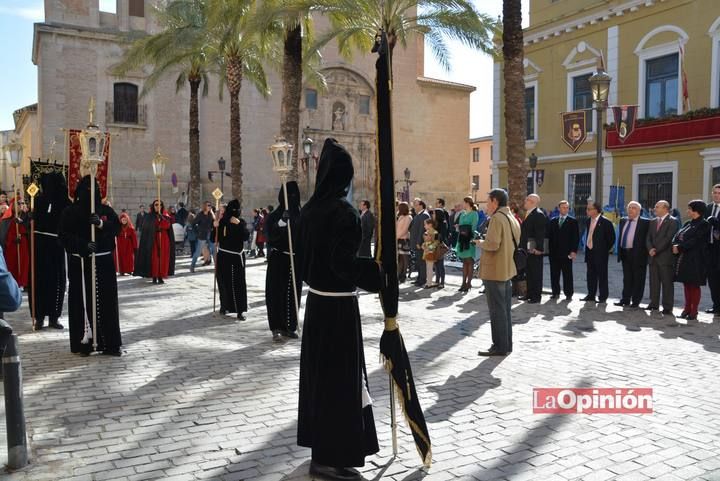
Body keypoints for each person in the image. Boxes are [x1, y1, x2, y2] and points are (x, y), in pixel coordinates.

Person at [297, 139, 382, 479]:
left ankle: (323, 451)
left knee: (321, 381)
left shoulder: (307, 212)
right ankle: (332, 458)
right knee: (339, 383)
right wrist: (377, 274)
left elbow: (305, 265)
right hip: (338, 311)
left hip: (317, 305)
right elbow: (343, 265)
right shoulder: (344, 213)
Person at [59, 175, 122, 356]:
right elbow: (63, 235)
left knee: (107, 303)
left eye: (92, 191)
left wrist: (101, 224)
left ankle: (110, 343)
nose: (90, 195)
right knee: (82, 301)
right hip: (80, 263)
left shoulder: (105, 210)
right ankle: (84, 342)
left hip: (103, 263)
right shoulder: (70, 212)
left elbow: (117, 227)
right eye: (86, 191)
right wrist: (82, 245)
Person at [475, 188, 520, 356]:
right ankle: (506, 344)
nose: (487, 205)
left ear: (495, 201)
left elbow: (493, 244)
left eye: (488, 201)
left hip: (495, 270)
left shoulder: (497, 218)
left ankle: (499, 346)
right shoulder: (511, 217)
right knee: (505, 309)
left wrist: (480, 242)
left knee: (496, 310)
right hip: (507, 269)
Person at [29, 172, 70, 329]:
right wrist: (30, 218)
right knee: (39, 281)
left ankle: (54, 316)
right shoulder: (37, 201)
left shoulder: (64, 202)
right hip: (40, 245)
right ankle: (38, 317)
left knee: (56, 281)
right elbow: (31, 224)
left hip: (56, 244)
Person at [265, 182, 302, 341]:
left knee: (293, 295)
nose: (292, 199)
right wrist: (281, 223)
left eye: (295, 195)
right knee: (276, 294)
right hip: (279, 259)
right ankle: (277, 328)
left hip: (295, 260)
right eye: (289, 195)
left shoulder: (301, 215)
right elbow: (269, 236)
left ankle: (290, 326)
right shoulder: (274, 216)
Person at [672, 200, 710, 321]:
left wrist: (680, 247)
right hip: (684, 258)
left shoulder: (704, 224)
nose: (687, 211)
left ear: (696, 210)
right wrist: (675, 244)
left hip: (696, 260)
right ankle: (686, 309)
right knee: (686, 284)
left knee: (694, 285)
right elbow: (677, 236)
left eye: (690, 208)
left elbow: (696, 241)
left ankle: (694, 311)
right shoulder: (688, 223)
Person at [216, 199, 249, 320]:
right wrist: (215, 226)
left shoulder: (242, 222)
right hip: (224, 255)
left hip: (237, 257)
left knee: (239, 283)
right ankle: (224, 306)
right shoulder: (222, 222)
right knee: (224, 282)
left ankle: (240, 310)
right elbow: (213, 237)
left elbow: (246, 237)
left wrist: (239, 224)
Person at [645, 200, 679, 314]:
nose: (655, 209)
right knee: (653, 282)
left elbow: (668, 238)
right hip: (653, 257)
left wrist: (656, 250)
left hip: (665, 258)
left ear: (665, 208)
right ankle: (653, 304)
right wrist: (650, 249)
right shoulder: (653, 221)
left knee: (667, 283)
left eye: (657, 207)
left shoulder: (673, 221)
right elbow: (648, 237)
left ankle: (667, 307)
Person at [616, 201, 650, 308]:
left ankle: (636, 301)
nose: (631, 209)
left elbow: (649, 239)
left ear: (639, 211)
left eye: (634, 208)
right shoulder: (623, 220)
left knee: (638, 279)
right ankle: (625, 299)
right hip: (625, 253)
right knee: (627, 278)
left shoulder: (646, 222)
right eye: (629, 207)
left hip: (639, 255)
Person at [581, 202, 615, 303]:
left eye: (589, 209)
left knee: (602, 275)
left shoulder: (606, 222)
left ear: (596, 210)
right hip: (589, 252)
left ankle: (603, 296)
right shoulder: (588, 221)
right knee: (590, 274)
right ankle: (591, 295)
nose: (587, 211)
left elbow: (611, 238)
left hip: (601, 254)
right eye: (587, 209)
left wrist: (604, 249)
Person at [135, 200, 175, 284]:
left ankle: (161, 276)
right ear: (153, 206)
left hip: (164, 240)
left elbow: (167, 226)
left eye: (160, 205)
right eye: (156, 205)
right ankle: (154, 276)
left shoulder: (166, 216)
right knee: (155, 259)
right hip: (153, 240)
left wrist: (162, 218)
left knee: (163, 259)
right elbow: (147, 228)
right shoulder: (149, 217)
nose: (158, 206)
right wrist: (156, 224)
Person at [546, 200, 579, 301]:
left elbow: (575, 237)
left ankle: (568, 294)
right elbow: (549, 236)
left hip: (567, 253)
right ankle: (555, 292)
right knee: (554, 274)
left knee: (567, 274)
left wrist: (573, 251)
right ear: (559, 208)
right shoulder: (553, 221)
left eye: (567, 207)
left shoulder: (572, 221)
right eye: (563, 207)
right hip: (554, 253)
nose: (565, 209)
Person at [519, 194, 547, 304]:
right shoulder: (528, 213)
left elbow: (540, 233)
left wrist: (539, 249)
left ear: (532, 202)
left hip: (535, 250)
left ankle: (536, 296)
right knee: (529, 272)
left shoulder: (538, 214)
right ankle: (529, 294)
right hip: (527, 249)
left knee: (536, 273)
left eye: (527, 200)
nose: (525, 201)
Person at [0, 199, 30, 289]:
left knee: (24, 265)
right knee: (12, 265)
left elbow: (30, 230)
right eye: (19, 203)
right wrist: (13, 239)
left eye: (23, 203)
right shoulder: (6, 219)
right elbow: (3, 236)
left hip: (23, 246)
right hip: (12, 247)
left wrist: (23, 223)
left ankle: (23, 283)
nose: (21, 205)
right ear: (13, 205)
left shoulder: (26, 216)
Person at [455, 196, 479, 292]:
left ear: (468, 203)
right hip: (461, 238)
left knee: (470, 261)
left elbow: (473, 227)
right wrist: (459, 227)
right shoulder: (462, 214)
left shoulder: (474, 214)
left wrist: (464, 230)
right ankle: (463, 283)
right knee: (464, 262)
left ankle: (469, 283)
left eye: (464, 202)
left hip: (469, 239)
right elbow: (461, 226)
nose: (462, 204)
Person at [705, 184, 720, 314]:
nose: (716, 195)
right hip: (709, 249)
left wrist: (717, 225)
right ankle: (716, 306)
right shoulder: (708, 207)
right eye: (714, 192)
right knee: (712, 280)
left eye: (719, 193)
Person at [409, 199, 430, 286]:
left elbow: (422, 230)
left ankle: (422, 279)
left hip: (420, 243)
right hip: (416, 242)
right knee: (419, 262)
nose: (414, 206)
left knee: (422, 262)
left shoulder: (424, 215)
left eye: (415, 204)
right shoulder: (419, 214)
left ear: (421, 205)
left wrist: (419, 242)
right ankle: (419, 278)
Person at [190, 202, 214, 272]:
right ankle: (192, 266)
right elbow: (193, 224)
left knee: (214, 251)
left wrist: (212, 212)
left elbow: (214, 221)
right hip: (202, 235)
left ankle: (217, 268)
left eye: (210, 205)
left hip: (210, 234)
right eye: (208, 205)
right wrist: (197, 233)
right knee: (198, 252)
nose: (210, 207)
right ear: (205, 206)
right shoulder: (200, 214)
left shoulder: (210, 214)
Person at [432, 208, 449, 288]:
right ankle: (437, 281)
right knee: (436, 264)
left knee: (440, 264)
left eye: (434, 213)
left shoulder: (443, 223)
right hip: (434, 245)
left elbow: (442, 235)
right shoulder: (435, 223)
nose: (433, 215)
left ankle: (442, 282)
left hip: (440, 246)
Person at [396, 202, 412, 283]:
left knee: (405, 258)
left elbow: (405, 229)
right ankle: (399, 275)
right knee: (400, 259)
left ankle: (404, 275)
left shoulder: (408, 217)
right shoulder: (400, 216)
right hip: (398, 239)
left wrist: (397, 236)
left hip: (404, 239)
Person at [421, 218, 439, 288]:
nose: (424, 226)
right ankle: (428, 282)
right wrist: (423, 245)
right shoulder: (427, 232)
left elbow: (436, 242)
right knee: (428, 267)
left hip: (431, 252)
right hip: (426, 251)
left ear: (430, 225)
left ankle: (429, 283)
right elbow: (425, 242)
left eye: (425, 224)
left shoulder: (435, 232)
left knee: (430, 268)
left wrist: (429, 248)